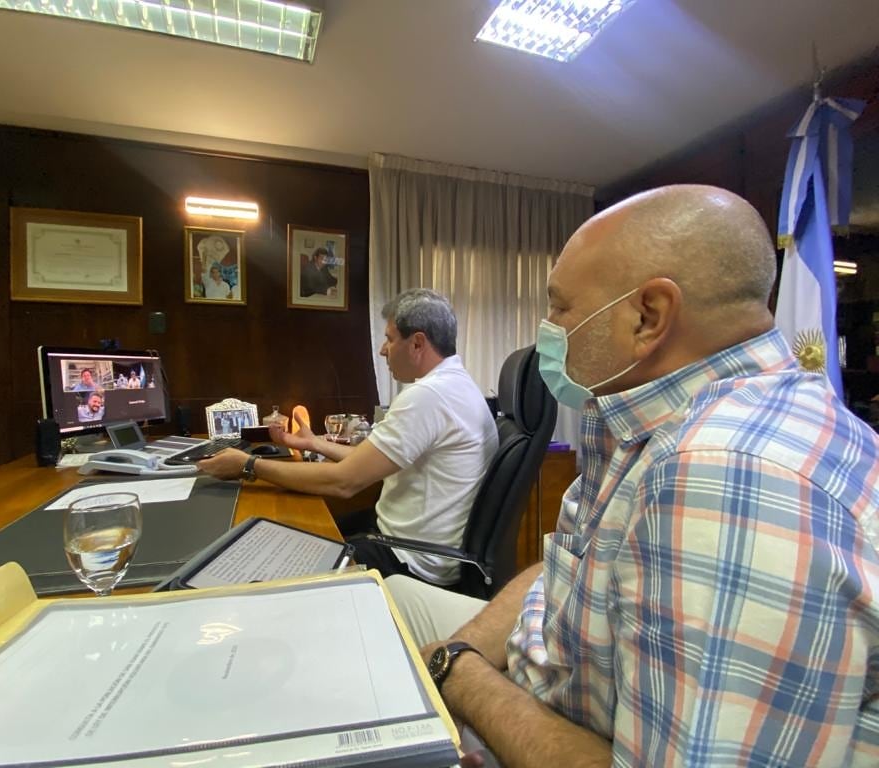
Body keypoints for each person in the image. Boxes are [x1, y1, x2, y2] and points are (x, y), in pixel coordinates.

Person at [385, 185, 879, 766]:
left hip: (550, 717)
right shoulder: (653, 418)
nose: (547, 327)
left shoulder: (726, 477)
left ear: (649, 316)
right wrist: (463, 652)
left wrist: (457, 673)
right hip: (546, 666)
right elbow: (560, 569)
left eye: (560, 307)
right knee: (387, 601)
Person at [198, 288, 499, 585]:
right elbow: (369, 457)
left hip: (410, 559)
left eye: (390, 339)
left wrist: (248, 466)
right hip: (402, 540)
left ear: (417, 343)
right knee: (295, 531)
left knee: (280, 561)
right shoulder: (454, 386)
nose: (383, 350)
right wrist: (314, 443)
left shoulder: (430, 396)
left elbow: (344, 482)